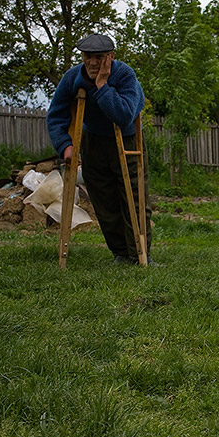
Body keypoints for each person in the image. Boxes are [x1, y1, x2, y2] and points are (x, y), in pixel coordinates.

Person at [47, 33, 154, 265]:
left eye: (99, 57)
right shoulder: (72, 77)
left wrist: (102, 86)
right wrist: (65, 145)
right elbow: (56, 114)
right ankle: (121, 253)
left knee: (134, 198)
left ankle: (139, 253)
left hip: (127, 140)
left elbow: (124, 116)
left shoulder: (124, 75)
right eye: (88, 56)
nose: (93, 62)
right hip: (93, 141)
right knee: (104, 200)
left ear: (111, 56)